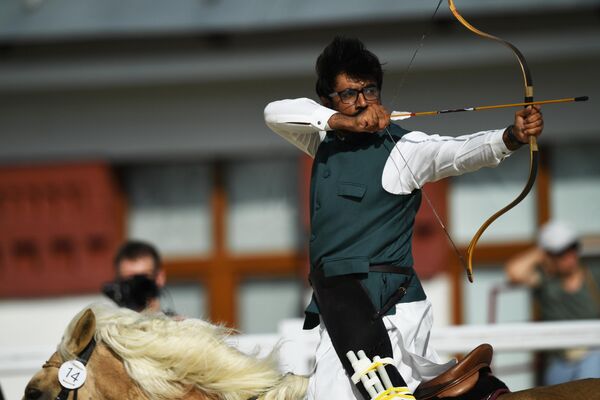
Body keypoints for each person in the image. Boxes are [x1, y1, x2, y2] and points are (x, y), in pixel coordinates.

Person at [264, 36, 543, 399]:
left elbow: (455, 153)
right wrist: (339, 122)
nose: (363, 101)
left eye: (370, 90)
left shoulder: (404, 149)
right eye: (349, 94)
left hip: (388, 312)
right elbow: (274, 112)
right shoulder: (322, 141)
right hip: (341, 305)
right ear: (327, 100)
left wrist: (510, 137)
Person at [506, 220, 600, 385]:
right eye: (561, 252)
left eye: (573, 248)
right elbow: (514, 271)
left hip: (593, 356)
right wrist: (541, 251)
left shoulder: (594, 276)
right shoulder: (546, 282)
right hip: (559, 362)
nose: (569, 256)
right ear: (550, 256)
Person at [102, 240, 167, 313]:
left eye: (144, 279)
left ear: (159, 278)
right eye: (129, 280)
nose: (137, 287)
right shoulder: (105, 321)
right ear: (118, 282)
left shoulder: (176, 323)